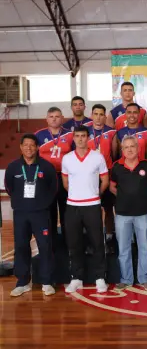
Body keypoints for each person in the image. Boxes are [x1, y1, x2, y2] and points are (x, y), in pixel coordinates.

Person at [5, 134, 57, 296]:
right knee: (21, 246)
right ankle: (23, 282)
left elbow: (53, 188)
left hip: (40, 213)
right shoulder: (13, 167)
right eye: (25, 145)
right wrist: (20, 202)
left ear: (37, 147)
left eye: (32, 145)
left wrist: (43, 204)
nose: (29, 148)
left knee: (45, 247)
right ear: (20, 147)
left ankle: (47, 282)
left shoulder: (46, 167)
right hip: (20, 213)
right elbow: (9, 187)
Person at [62, 125, 109, 293]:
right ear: (73, 138)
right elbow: (66, 183)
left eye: (83, 136)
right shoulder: (67, 158)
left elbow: (105, 180)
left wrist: (95, 194)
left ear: (88, 138)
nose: (80, 139)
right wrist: (78, 195)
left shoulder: (97, 157)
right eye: (77, 136)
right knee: (74, 244)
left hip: (92, 206)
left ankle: (100, 277)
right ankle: (76, 278)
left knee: (97, 242)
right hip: (73, 206)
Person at [110, 135, 147, 291]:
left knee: (144, 247)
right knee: (123, 248)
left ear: (138, 149)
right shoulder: (116, 167)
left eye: (132, 146)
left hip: (142, 213)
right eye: (126, 147)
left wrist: (143, 196)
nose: (129, 149)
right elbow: (112, 187)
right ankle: (126, 279)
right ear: (122, 150)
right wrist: (124, 197)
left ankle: (145, 279)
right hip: (122, 214)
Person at [35, 107, 73, 249]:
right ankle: (51, 243)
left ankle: (67, 242)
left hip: (65, 177)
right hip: (46, 179)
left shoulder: (70, 135)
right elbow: (34, 157)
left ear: (62, 118)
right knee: (49, 211)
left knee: (66, 211)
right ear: (47, 119)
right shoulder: (39, 135)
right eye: (51, 116)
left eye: (57, 116)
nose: (54, 119)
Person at [87, 104, 118, 254]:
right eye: (96, 114)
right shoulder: (85, 132)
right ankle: (93, 240)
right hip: (89, 175)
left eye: (101, 114)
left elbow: (114, 153)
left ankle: (110, 237)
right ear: (91, 115)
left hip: (107, 173)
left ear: (105, 116)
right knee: (91, 210)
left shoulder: (111, 132)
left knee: (108, 208)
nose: (98, 117)